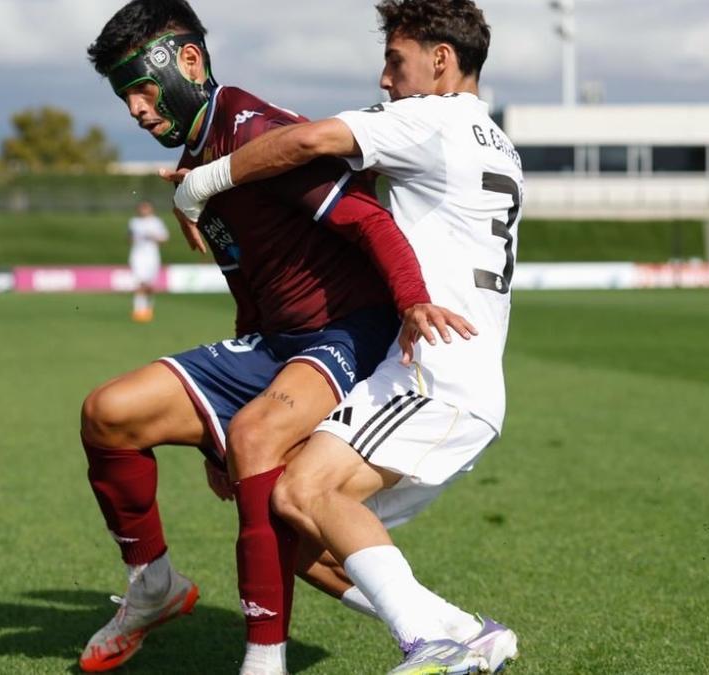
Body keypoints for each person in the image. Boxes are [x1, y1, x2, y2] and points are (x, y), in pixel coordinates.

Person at [81, 3, 473, 674]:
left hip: (350, 330)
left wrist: (411, 301)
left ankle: (266, 661)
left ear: (189, 62)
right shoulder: (197, 162)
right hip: (277, 341)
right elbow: (249, 288)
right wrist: (217, 424)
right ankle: (153, 586)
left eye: (141, 89)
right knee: (108, 414)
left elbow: (370, 220)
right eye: (125, 99)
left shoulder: (252, 128)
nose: (137, 110)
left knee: (262, 451)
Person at [173, 1, 522, 672]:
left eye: (396, 61)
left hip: (434, 372)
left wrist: (206, 182)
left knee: (306, 490)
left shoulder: (427, 117)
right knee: (293, 517)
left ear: (440, 61)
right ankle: (460, 630)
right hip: (461, 379)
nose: (385, 81)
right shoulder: (494, 140)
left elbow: (305, 142)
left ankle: (429, 643)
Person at [127, 200, 169, 322]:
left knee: (150, 285)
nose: (143, 210)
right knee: (139, 283)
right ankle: (138, 310)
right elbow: (129, 238)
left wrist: (153, 236)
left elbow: (164, 239)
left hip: (152, 256)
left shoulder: (156, 222)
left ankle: (148, 309)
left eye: (146, 208)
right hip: (138, 256)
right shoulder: (134, 222)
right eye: (141, 208)